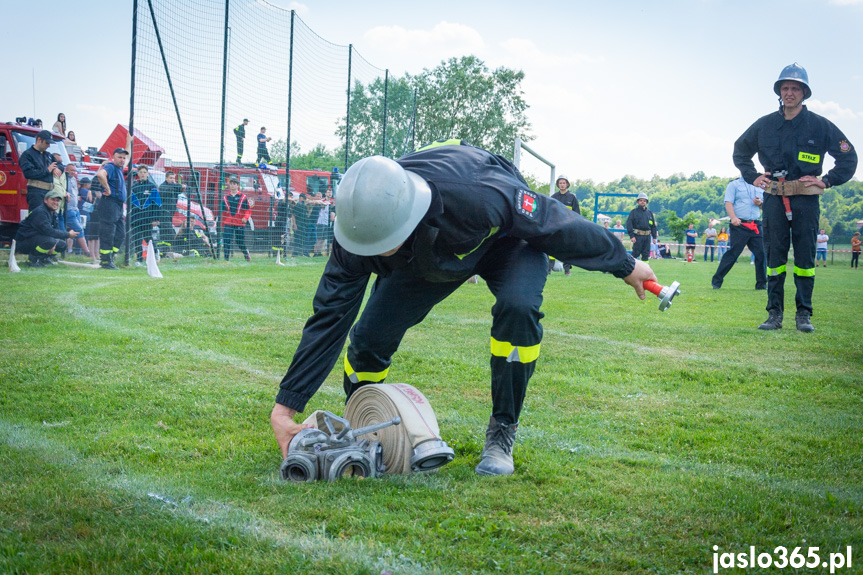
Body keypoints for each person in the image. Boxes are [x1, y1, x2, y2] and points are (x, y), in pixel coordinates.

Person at [269, 142, 656, 477]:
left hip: (508, 240)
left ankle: (502, 429)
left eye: (382, 245)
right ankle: (368, 421)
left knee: (518, 308)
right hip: (431, 256)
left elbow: (555, 223)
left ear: (407, 215)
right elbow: (330, 315)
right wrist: (286, 408)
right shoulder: (356, 233)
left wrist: (624, 264)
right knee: (370, 337)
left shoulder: (482, 192)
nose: (373, 255)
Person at [733, 63, 858, 332]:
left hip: (806, 201)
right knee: (775, 257)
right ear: (779, 92)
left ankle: (804, 315)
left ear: (804, 93)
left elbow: (848, 157)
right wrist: (753, 176)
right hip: (774, 200)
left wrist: (826, 180)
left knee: (804, 258)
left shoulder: (820, 126)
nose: (790, 92)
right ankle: (774, 314)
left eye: (795, 88)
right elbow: (740, 152)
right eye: (785, 88)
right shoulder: (764, 125)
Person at [711, 178, 767, 291]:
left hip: (755, 225)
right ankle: (717, 280)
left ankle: (761, 284)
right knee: (734, 253)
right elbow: (728, 202)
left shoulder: (760, 186)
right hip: (739, 224)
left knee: (761, 253)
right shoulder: (734, 185)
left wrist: (760, 203)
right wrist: (733, 218)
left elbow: (764, 205)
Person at [14, 189, 79, 267]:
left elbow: (56, 230)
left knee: (62, 244)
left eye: (57, 200)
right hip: (23, 242)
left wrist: (55, 242)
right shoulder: (40, 212)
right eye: (52, 200)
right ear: (45, 200)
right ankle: (32, 260)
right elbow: (49, 231)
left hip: (36, 239)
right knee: (50, 241)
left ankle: (44, 259)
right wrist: (68, 234)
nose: (55, 202)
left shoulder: (53, 213)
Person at [95, 148, 130, 269]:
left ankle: (110, 257)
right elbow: (100, 174)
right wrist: (107, 189)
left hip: (118, 205)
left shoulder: (119, 168)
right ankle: (105, 261)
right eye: (120, 157)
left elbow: (128, 158)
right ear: (114, 157)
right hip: (109, 203)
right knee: (107, 233)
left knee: (120, 233)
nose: (122, 160)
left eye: (123, 158)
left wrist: (128, 141)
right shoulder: (110, 167)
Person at [20, 130, 62, 211]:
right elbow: (28, 173)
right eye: (47, 143)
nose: (48, 146)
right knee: (37, 218)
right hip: (36, 193)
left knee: (48, 219)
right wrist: (47, 170)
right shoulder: (27, 155)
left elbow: (61, 165)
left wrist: (55, 168)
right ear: (39, 140)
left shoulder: (48, 155)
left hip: (49, 193)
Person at [547, 174, 580, 275]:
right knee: (552, 247)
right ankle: (548, 269)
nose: (562, 185)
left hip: (568, 226)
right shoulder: (553, 197)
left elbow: (577, 213)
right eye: (560, 183)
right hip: (555, 226)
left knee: (567, 247)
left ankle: (567, 270)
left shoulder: (572, 197)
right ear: (558, 184)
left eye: (563, 183)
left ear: (567, 184)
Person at [130, 166, 162, 264]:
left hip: (147, 218)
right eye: (141, 172)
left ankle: (155, 253)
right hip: (136, 218)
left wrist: (155, 219)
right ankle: (139, 259)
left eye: (145, 172)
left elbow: (157, 204)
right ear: (138, 174)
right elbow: (130, 204)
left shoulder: (152, 187)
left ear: (148, 174)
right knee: (137, 239)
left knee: (148, 238)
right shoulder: (134, 187)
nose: (143, 174)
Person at [221, 177, 252, 261]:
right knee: (226, 240)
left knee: (240, 242)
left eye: (234, 184)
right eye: (231, 184)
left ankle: (246, 253)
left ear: (238, 185)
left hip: (239, 222)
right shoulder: (226, 197)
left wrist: (245, 218)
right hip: (228, 222)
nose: (232, 186)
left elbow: (248, 210)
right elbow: (223, 212)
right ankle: (226, 259)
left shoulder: (243, 197)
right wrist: (222, 224)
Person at [64, 164, 91, 257]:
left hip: (75, 209)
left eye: (75, 170)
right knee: (78, 229)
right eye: (71, 170)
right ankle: (86, 252)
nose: (73, 172)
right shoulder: (64, 179)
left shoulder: (74, 180)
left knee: (78, 230)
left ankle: (74, 251)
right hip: (68, 209)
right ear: (66, 170)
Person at [626, 193, 657, 262]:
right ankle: (631, 269)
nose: (643, 202)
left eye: (644, 200)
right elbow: (629, 224)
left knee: (646, 254)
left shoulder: (649, 213)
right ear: (638, 202)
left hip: (647, 237)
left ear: (646, 202)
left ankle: (644, 271)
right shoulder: (634, 212)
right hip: (638, 236)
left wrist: (654, 237)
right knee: (635, 254)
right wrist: (632, 236)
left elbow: (653, 226)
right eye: (641, 200)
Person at [159, 171, 185, 252]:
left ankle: (165, 250)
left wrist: (181, 187)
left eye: (173, 178)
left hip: (170, 213)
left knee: (165, 233)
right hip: (164, 212)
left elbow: (179, 190)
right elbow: (174, 187)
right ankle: (170, 249)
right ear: (166, 178)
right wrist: (180, 185)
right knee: (169, 232)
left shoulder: (173, 186)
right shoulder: (163, 186)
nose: (172, 180)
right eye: (170, 178)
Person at [80, 177, 100, 263]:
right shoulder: (88, 192)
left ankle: (96, 254)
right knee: (92, 236)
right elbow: (90, 200)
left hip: (96, 214)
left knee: (96, 236)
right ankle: (92, 254)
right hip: (92, 214)